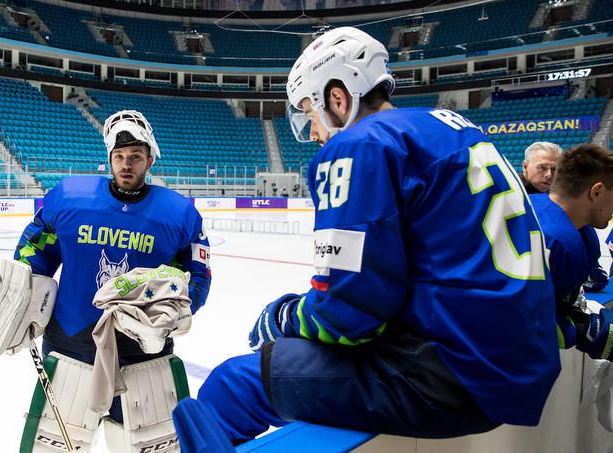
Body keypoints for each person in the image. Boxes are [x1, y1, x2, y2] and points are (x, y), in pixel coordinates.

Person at [173, 27, 559, 448]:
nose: (313, 132)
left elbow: (350, 309)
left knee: (233, 383)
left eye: (309, 112)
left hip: (455, 372)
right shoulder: (458, 129)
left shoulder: (362, 144)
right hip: (514, 363)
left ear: (338, 98)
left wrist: (283, 318)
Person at [0, 110, 212, 451]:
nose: (126, 164)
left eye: (135, 157)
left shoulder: (180, 215)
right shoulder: (69, 198)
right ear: (109, 159)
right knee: (57, 444)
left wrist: (178, 311)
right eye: (119, 157)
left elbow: (197, 273)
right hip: (70, 342)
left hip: (142, 348)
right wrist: (24, 298)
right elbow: (35, 247)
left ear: (150, 161)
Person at [530, 143, 613, 360]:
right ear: (597, 192)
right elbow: (520, 320)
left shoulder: (534, 203)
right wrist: (576, 331)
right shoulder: (562, 241)